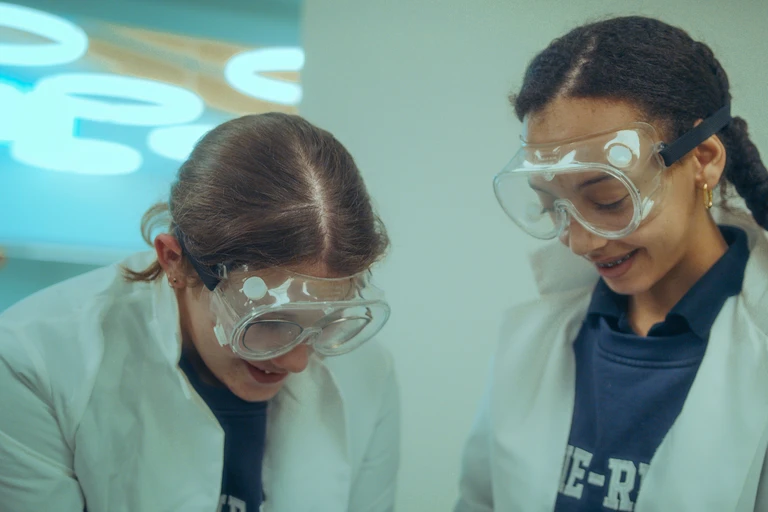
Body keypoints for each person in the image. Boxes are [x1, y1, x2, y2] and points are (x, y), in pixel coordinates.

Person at [0, 113, 400, 512]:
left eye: (324, 321)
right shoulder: (35, 361)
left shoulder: (368, 371)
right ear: (175, 261)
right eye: (269, 322)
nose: (297, 361)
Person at [456, 16, 768, 512]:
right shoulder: (532, 340)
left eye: (607, 199)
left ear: (704, 158)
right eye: (549, 205)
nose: (579, 241)